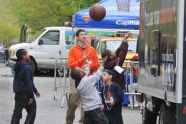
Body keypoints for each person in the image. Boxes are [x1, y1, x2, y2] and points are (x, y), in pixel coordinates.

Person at [66, 29, 100, 124]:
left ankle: (83, 122)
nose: (84, 36)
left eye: (85, 34)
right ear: (77, 37)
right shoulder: (73, 50)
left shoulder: (91, 49)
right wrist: (82, 60)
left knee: (85, 105)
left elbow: (97, 64)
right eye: (82, 34)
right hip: (76, 79)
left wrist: (88, 66)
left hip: (88, 79)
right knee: (72, 104)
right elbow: (71, 65)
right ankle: (68, 121)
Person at [70, 58, 109, 124]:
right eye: (81, 69)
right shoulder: (87, 81)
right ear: (81, 73)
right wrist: (102, 65)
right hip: (95, 109)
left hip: (87, 109)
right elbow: (96, 76)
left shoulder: (78, 84)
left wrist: (88, 66)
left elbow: (85, 76)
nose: (82, 68)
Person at [11, 49, 40, 124]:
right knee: (32, 111)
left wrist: (35, 91)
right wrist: (31, 96)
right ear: (23, 56)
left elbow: (27, 81)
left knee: (17, 113)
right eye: (27, 53)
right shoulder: (27, 67)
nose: (28, 55)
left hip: (18, 94)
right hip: (26, 94)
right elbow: (28, 82)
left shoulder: (18, 65)